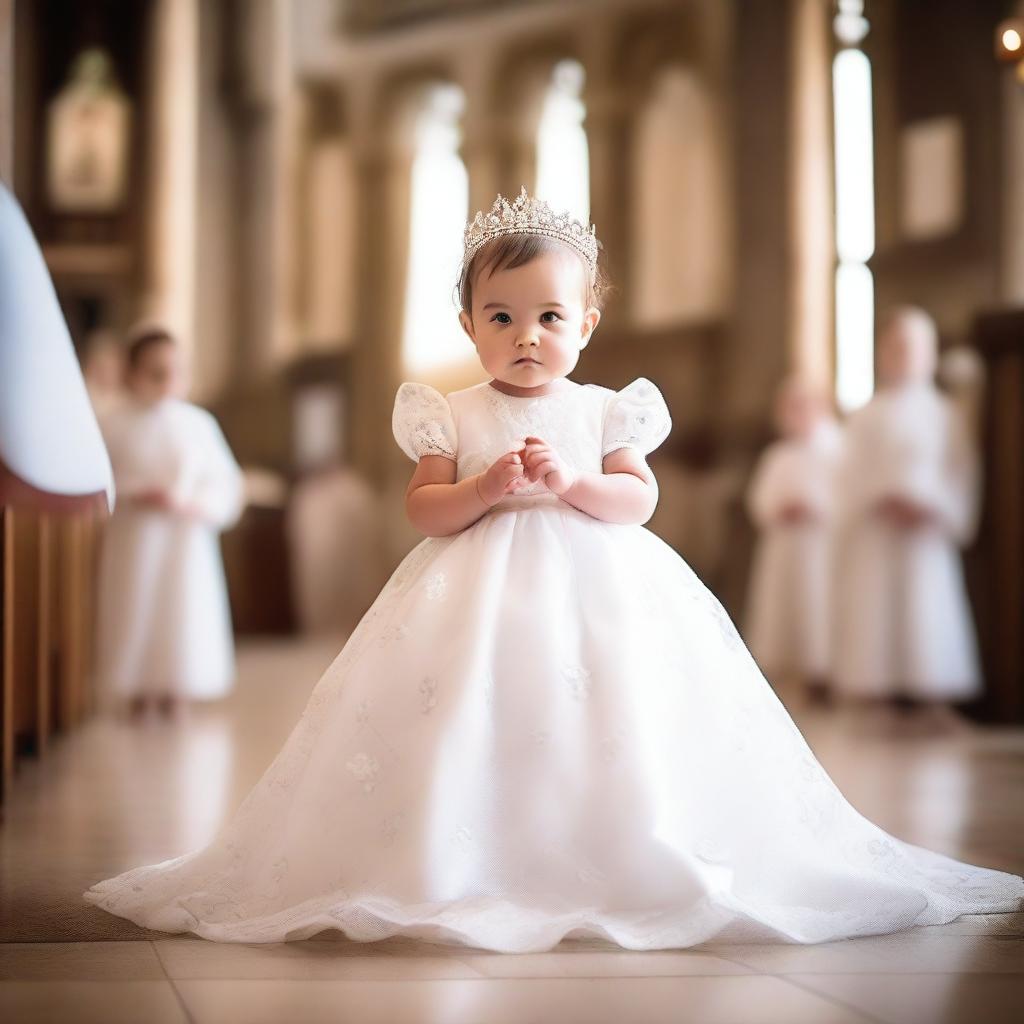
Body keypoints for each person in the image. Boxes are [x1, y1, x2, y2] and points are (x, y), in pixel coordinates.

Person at [84, 190, 1022, 951]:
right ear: (467, 323)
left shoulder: (610, 409)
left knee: (609, 714)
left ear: (588, 322)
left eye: (548, 316)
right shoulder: (447, 414)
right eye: (501, 316)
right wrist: (484, 489)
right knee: (470, 715)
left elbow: (636, 502)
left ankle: (613, 841)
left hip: (597, 591)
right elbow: (424, 508)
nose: (525, 335)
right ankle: (460, 847)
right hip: (473, 594)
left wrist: (573, 481)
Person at [832, 308, 982, 724]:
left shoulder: (945, 414)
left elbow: (960, 470)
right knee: (875, 607)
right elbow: (848, 472)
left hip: (926, 527)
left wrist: (935, 505)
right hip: (876, 525)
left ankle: (933, 694)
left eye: (913, 347)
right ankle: (873, 693)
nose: (904, 355)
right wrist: (877, 499)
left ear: (930, 355)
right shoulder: (866, 415)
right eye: (896, 346)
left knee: (927, 605)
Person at [95, 326, 244, 718]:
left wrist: (191, 503)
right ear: (132, 373)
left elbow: (225, 482)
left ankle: (180, 686)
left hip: (185, 536)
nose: (166, 380)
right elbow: (101, 477)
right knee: (137, 603)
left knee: (182, 608)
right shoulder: (113, 422)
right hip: (136, 534)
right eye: (155, 371)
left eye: (174, 371)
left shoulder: (198, 424)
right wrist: (133, 492)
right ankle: (138, 688)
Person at [745, 377, 843, 703]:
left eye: (803, 406)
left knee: (817, 605)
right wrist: (778, 509)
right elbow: (758, 499)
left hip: (820, 545)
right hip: (785, 544)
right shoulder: (779, 455)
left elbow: (847, 495)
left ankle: (824, 677)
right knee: (785, 608)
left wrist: (816, 507)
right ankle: (790, 675)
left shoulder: (837, 448)